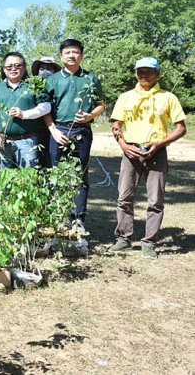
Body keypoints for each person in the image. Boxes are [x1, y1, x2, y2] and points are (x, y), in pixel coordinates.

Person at [108, 57, 186, 259]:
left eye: (148, 71)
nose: (143, 75)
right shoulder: (125, 97)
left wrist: (160, 143)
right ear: (135, 73)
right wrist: (124, 145)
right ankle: (123, 239)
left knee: (156, 200)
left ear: (158, 73)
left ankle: (149, 243)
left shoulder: (168, 97)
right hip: (131, 152)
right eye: (139, 71)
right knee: (124, 197)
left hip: (156, 152)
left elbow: (181, 128)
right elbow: (117, 125)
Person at [43, 39, 105, 234]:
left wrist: (90, 115)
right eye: (68, 52)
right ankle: (57, 216)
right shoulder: (52, 80)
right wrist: (53, 129)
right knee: (55, 174)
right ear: (61, 56)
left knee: (79, 176)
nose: (71, 55)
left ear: (81, 55)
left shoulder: (90, 78)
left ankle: (77, 218)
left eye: (75, 52)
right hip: (58, 130)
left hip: (82, 131)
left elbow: (101, 104)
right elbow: (45, 108)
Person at [0, 52, 50, 170]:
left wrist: (24, 114)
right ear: (4, 69)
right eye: (9, 66)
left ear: (24, 67)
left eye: (18, 65)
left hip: (28, 141)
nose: (13, 69)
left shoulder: (33, 85)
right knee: (5, 180)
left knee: (28, 179)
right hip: (4, 141)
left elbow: (46, 106)